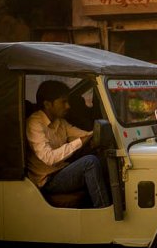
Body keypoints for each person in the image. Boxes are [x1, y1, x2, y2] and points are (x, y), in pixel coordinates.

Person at [26, 80, 110, 208]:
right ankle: (103, 209)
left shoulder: (60, 122)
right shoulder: (34, 124)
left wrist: (96, 134)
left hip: (62, 170)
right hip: (48, 180)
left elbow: (83, 134)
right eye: (63, 102)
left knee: (105, 159)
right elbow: (49, 158)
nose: (68, 106)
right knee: (90, 162)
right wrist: (80, 142)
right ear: (48, 104)